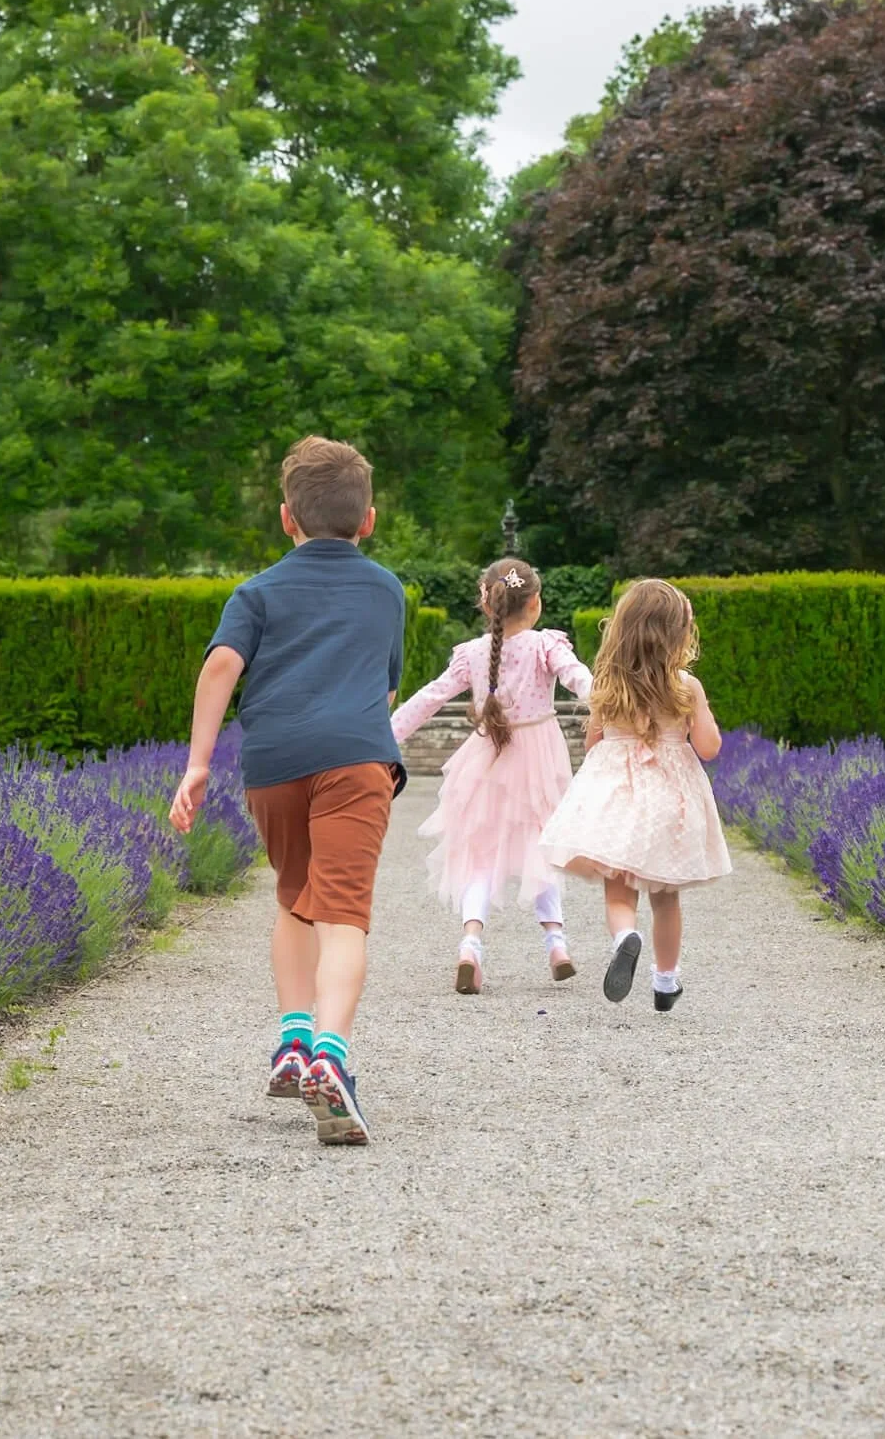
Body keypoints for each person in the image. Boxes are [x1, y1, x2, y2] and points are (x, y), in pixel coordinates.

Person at [171, 437, 405, 1146]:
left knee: (295, 897)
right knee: (343, 916)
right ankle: (330, 1057)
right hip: (355, 760)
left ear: (286, 517)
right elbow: (385, 690)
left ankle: (293, 1040)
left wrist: (198, 764)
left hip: (275, 764)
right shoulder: (386, 590)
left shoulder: (257, 592)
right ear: (368, 520)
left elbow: (220, 667)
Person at [391, 558, 593, 995]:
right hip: (539, 758)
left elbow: (430, 696)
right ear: (535, 603)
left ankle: (471, 944)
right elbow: (578, 677)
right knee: (542, 845)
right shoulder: (545, 645)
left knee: (479, 853)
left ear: (486, 604)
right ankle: (556, 944)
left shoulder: (472, 654)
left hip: (487, 759)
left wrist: (386, 735)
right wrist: (609, 703)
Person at [537, 579, 731, 1010]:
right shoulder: (686, 687)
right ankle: (665, 981)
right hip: (669, 803)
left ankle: (626, 936)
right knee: (666, 896)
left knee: (620, 891)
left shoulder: (608, 685)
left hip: (619, 801)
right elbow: (709, 747)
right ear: (678, 633)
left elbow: (592, 743)